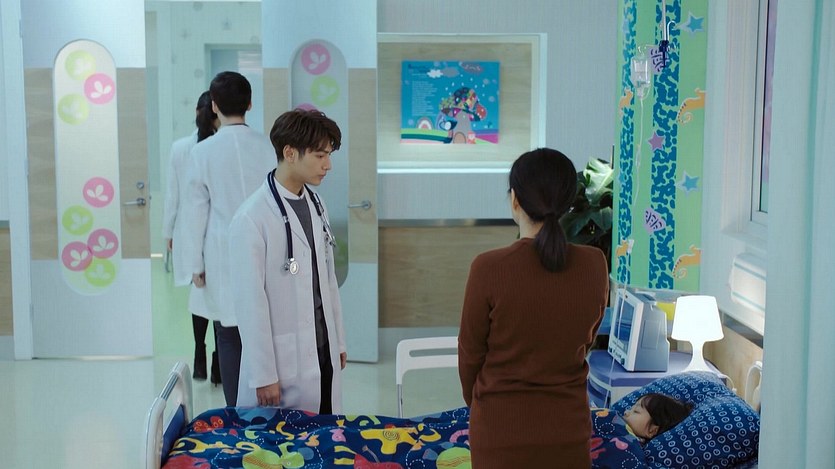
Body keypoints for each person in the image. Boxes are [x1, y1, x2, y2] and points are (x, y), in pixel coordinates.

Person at [458, 148, 609, 468]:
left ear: (515, 200)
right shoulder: (594, 264)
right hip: (567, 431)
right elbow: (586, 338)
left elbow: (470, 354)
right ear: (568, 202)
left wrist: (482, 405)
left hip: (499, 432)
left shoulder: (488, 267)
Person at [229, 108, 347, 414]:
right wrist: (263, 374)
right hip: (281, 365)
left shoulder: (316, 203)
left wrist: (338, 342)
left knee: (324, 433)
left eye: (329, 155)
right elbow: (250, 302)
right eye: (320, 156)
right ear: (290, 153)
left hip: (323, 349)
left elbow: (327, 280)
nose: (328, 165)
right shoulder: (252, 217)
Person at [181, 71, 275, 406]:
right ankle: (270, 408)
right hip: (267, 247)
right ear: (250, 103)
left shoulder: (202, 152)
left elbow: (195, 213)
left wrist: (195, 265)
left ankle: (236, 411)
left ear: (214, 106)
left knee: (229, 331)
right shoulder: (269, 147)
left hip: (222, 253)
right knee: (265, 328)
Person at [161, 90, 220, 383]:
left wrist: (168, 231)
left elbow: (173, 195)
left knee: (199, 294)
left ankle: (199, 354)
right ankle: (219, 361)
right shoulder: (220, 147)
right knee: (221, 296)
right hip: (219, 231)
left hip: (190, 230)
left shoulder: (181, 148)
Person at [622, 393, 693, 442]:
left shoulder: (632, 444)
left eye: (636, 411)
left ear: (652, 430)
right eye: (631, 409)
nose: (626, 412)